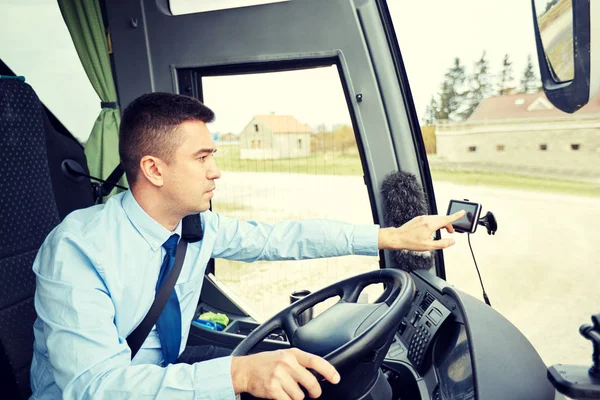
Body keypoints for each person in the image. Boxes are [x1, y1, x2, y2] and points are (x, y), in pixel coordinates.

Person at [30, 92, 465, 400]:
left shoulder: (196, 227)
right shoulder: (76, 250)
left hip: (168, 373)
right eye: (203, 158)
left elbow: (284, 238)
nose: (216, 172)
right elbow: (92, 389)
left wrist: (389, 236)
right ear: (154, 170)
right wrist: (236, 375)